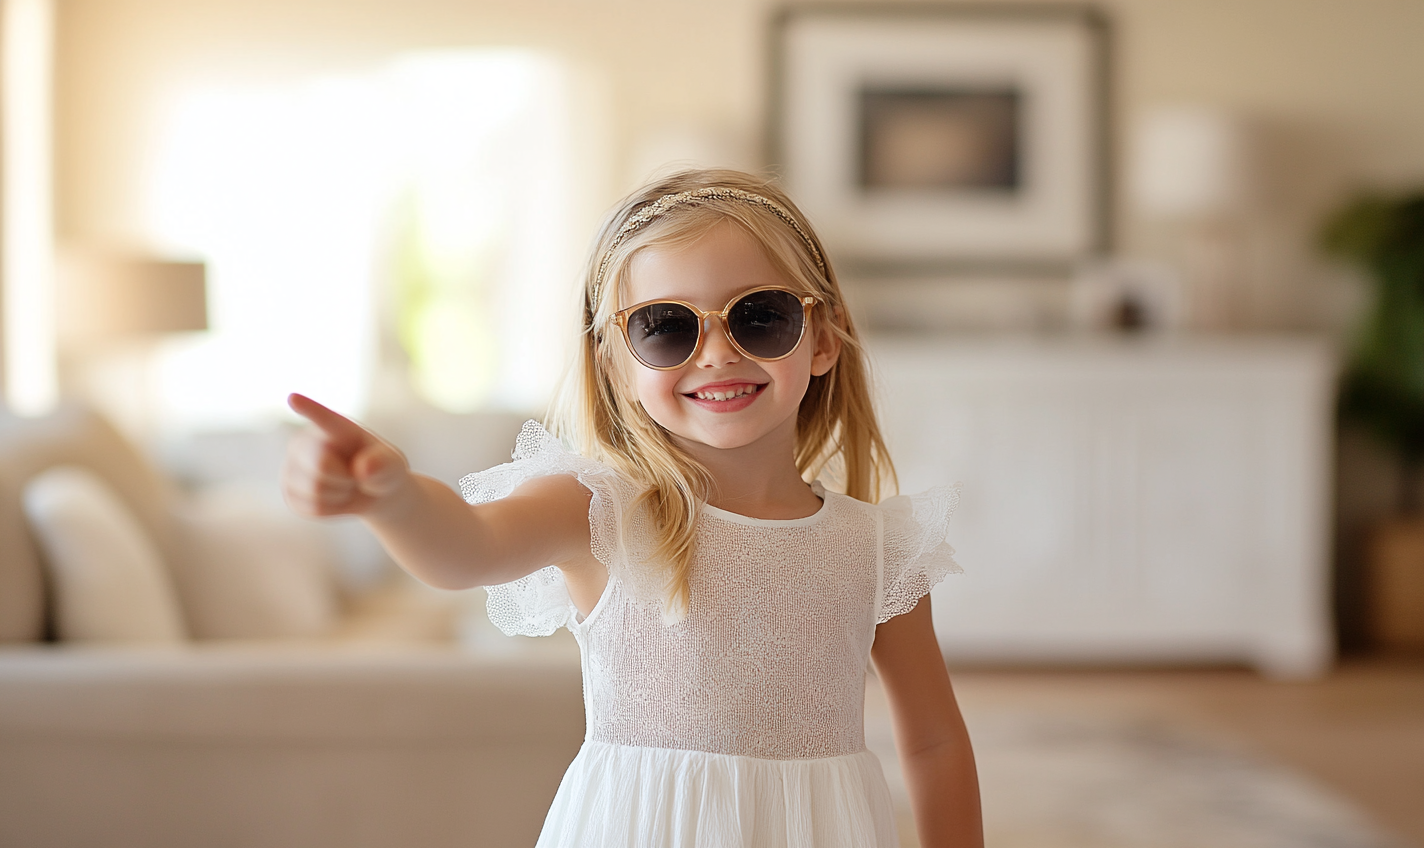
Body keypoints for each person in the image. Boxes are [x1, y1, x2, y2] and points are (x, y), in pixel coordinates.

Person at [282, 169, 983, 848]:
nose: (717, 354)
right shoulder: (600, 511)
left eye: (760, 318)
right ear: (615, 364)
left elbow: (934, 740)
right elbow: (468, 546)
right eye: (666, 327)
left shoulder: (878, 548)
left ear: (823, 338)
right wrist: (394, 496)